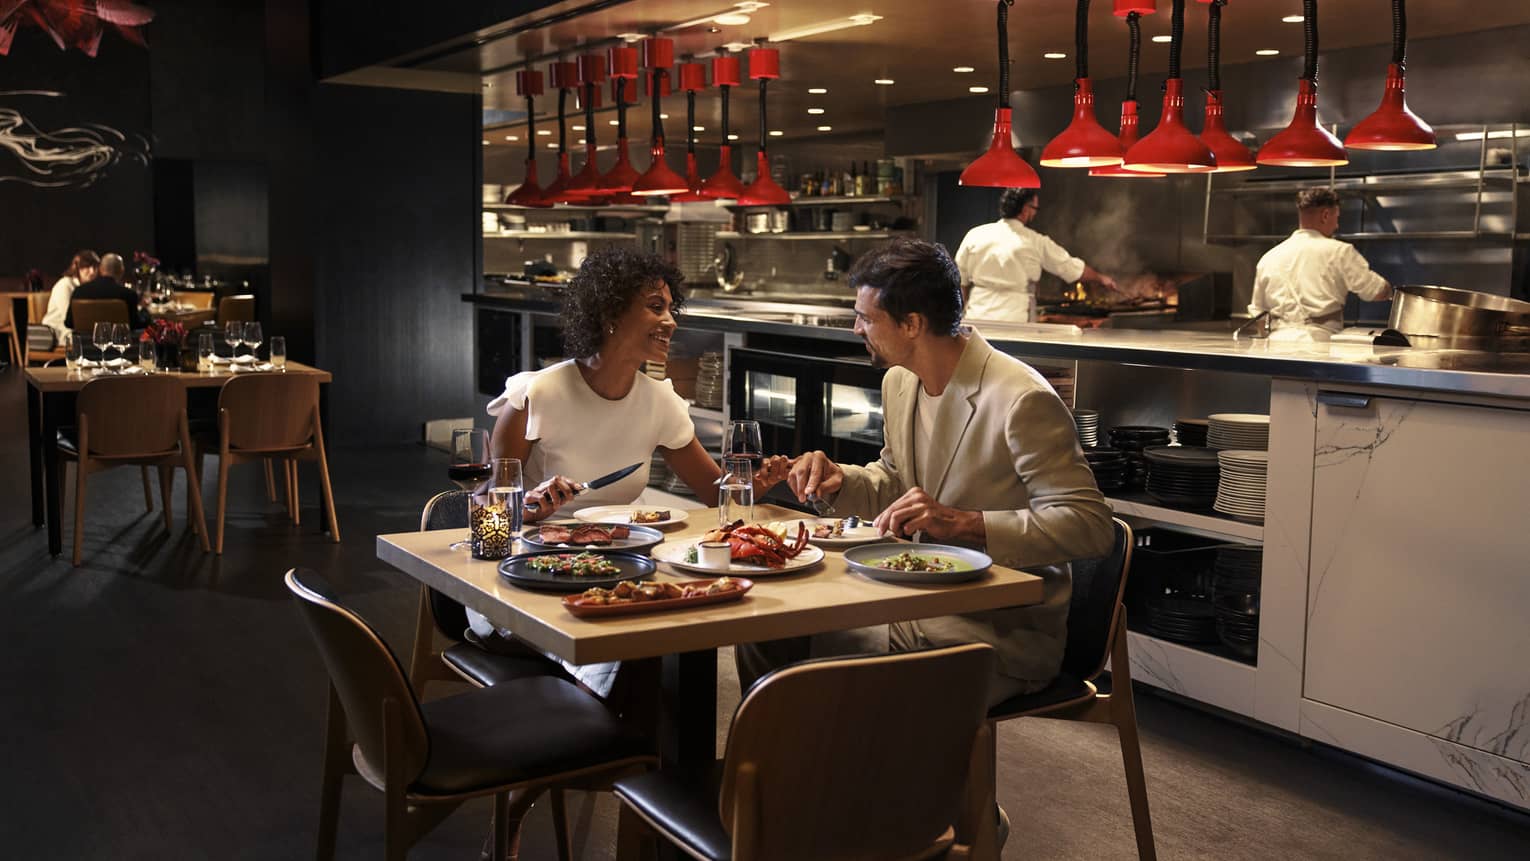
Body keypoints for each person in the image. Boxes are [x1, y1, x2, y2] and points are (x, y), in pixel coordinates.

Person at [739, 237, 1115, 709]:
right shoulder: (900, 380)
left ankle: (851, 775)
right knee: (766, 630)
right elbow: (896, 482)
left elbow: (1091, 526)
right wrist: (840, 481)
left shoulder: (1021, 398)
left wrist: (966, 523)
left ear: (912, 323)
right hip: (913, 596)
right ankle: (790, 776)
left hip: (995, 625)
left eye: (866, 318)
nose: (857, 328)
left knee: (818, 652)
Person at [470, 247, 787, 694]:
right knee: (627, 643)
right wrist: (528, 508)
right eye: (656, 308)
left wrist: (753, 485)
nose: (671, 321)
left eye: (671, 309)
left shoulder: (659, 401)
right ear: (609, 314)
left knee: (672, 623)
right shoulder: (536, 396)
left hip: (623, 565)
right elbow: (486, 510)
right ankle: (603, 740)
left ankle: (636, 748)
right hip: (529, 572)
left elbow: (717, 496)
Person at [1249, 187, 1394, 342]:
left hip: (1276, 344)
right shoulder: (1340, 252)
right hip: (1321, 344)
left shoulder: (1269, 257)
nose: (1337, 225)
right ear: (1325, 215)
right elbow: (1375, 291)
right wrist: (1389, 290)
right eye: (1336, 217)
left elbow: (1258, 311)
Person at [954, 188, 1119, 324]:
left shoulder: (975, 235)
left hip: (977, 319)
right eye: (1035, 209)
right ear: (1025, 209)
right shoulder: (1034, 241)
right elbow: (1069, 267)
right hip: (1015, 321)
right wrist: (1101, 278)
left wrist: (960, 314)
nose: (1035, 214)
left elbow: (960, 281)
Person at [64, 253, 147, 329]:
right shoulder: (129, 295)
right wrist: (144, 310)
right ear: (122, 271)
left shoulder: (79, 292)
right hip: (120, 344)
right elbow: (136, 325)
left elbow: (69, 323)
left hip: (85, 344)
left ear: (100, 269)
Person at [41, 250, 99, 344]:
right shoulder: (65, 284)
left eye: (95, 267)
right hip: (57, 332)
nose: (92, 271)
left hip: (73, 330)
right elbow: (69, 319)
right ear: (77, 268)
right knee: (92, 340)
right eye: (87, 267)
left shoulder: (87, 287)